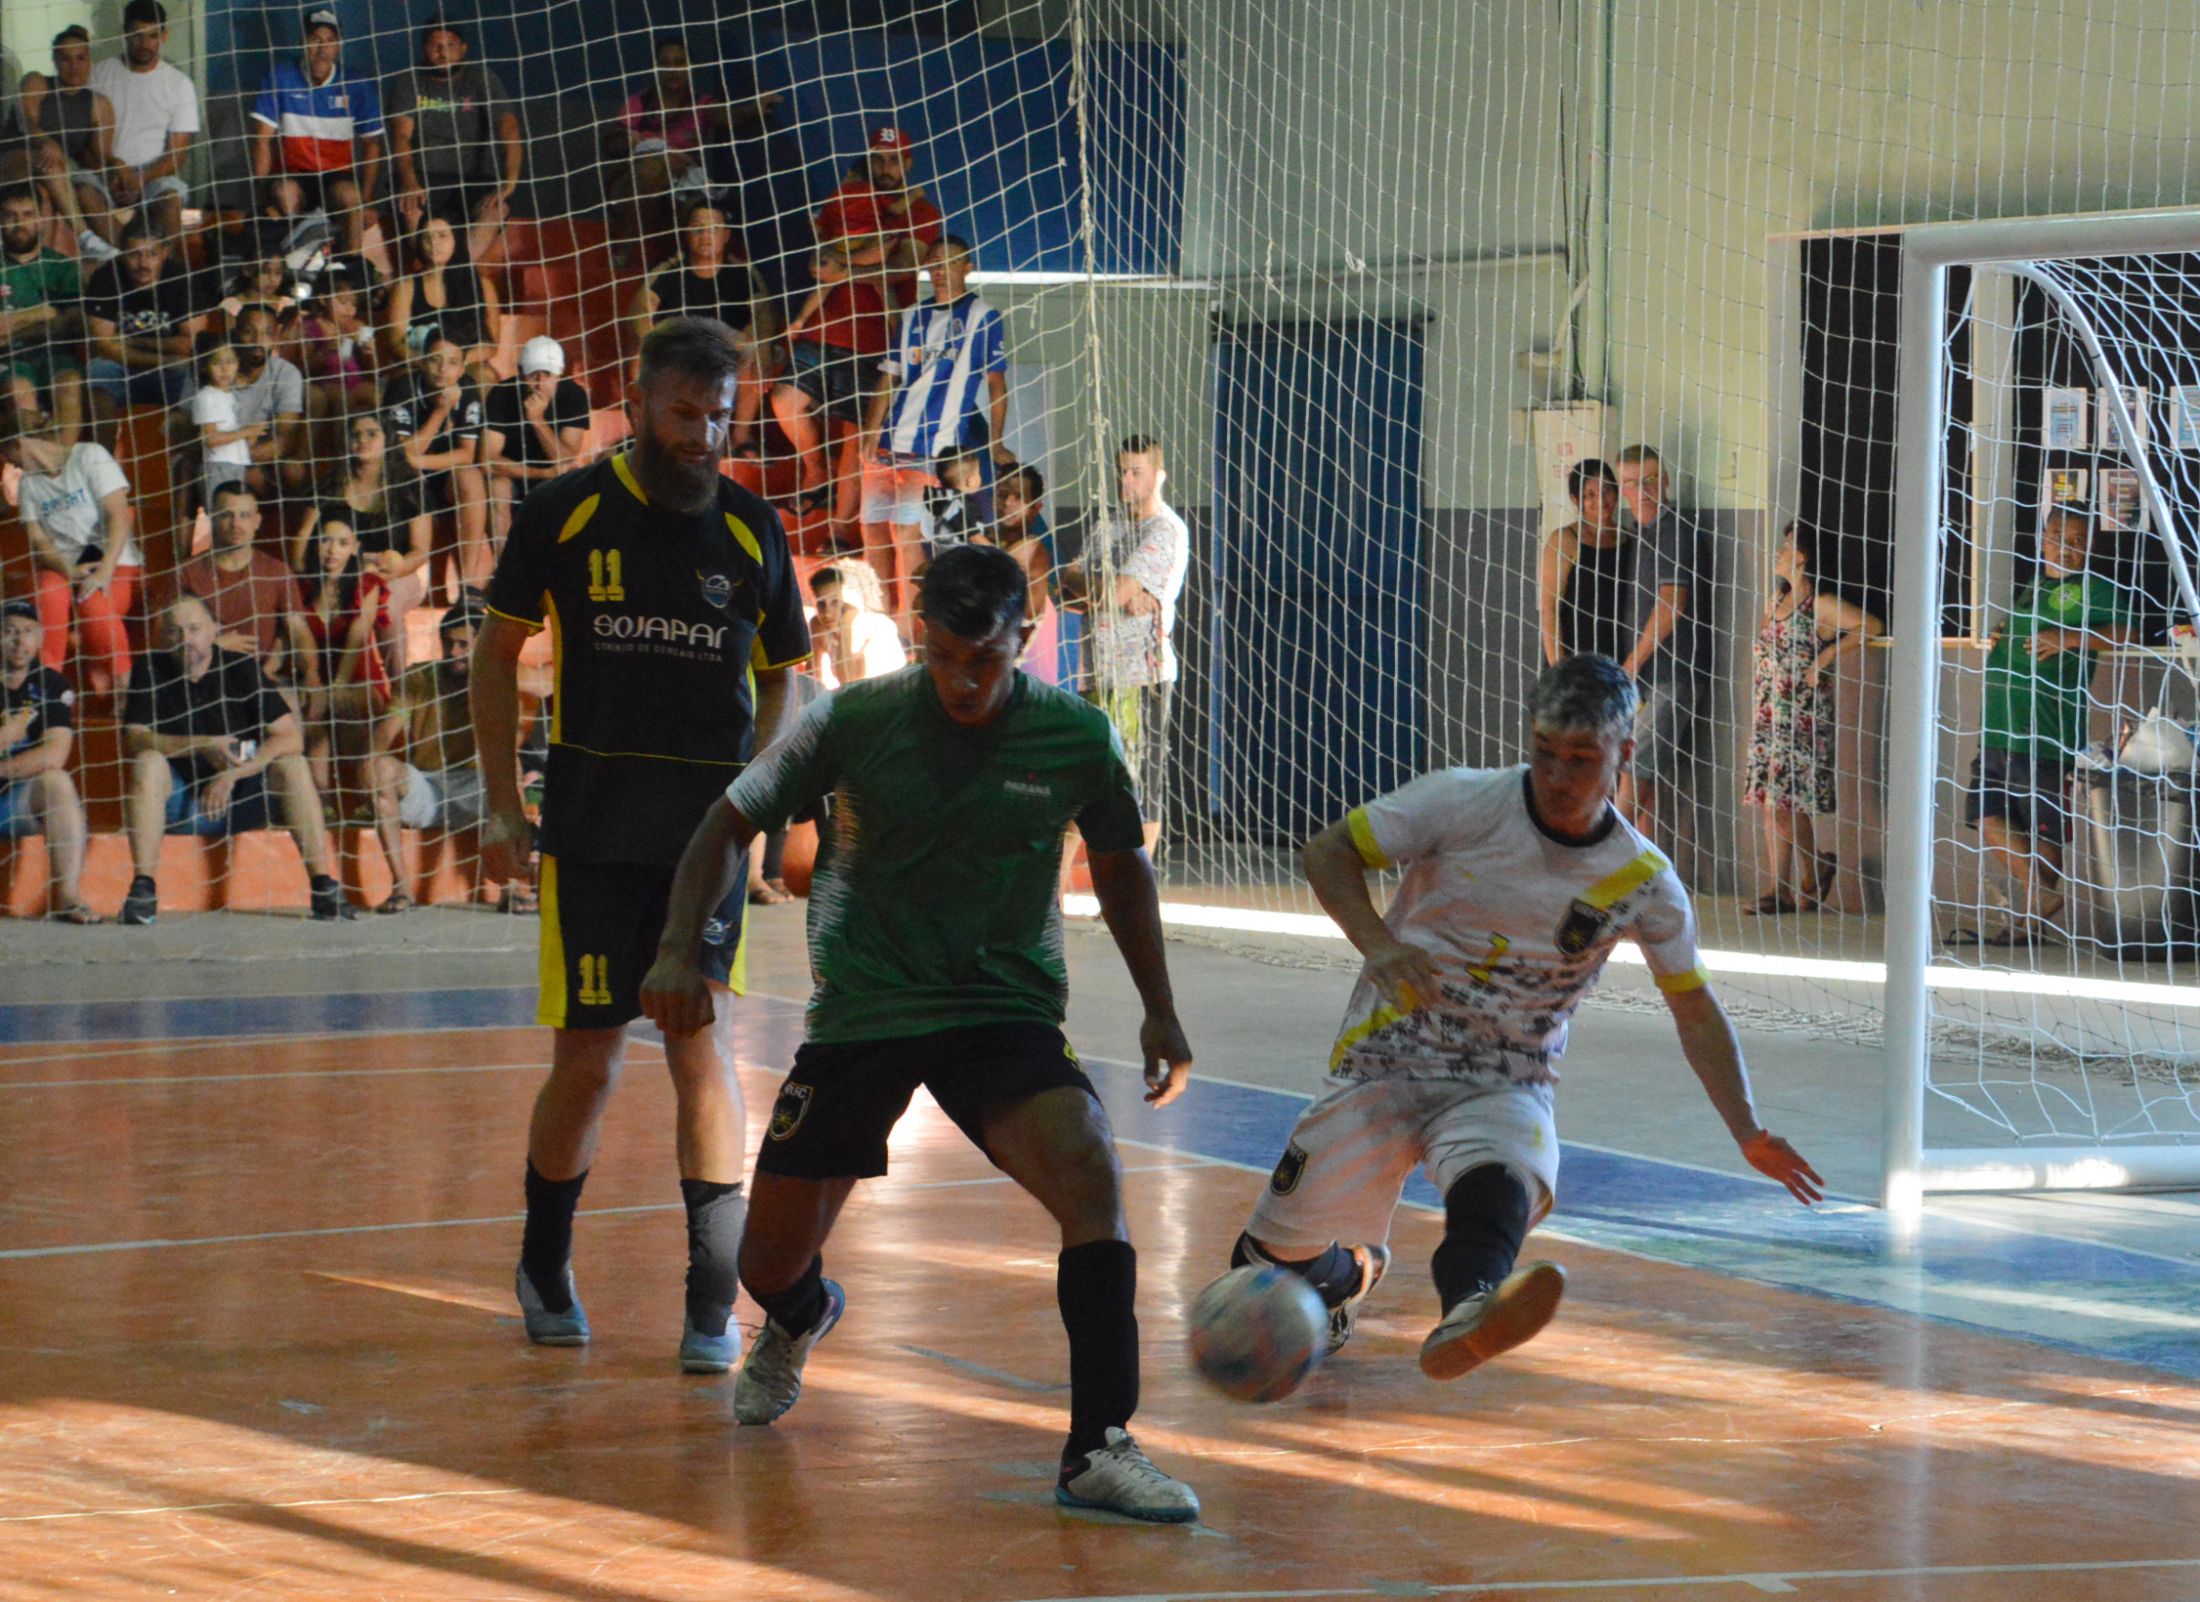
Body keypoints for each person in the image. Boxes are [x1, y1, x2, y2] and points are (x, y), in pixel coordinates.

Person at [637, 543, 1198, 1521]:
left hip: (1001, 1011)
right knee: (762, 1267)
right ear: (922, 636)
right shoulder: (853, 720)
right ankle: (802, 1315)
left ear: (1023, 640)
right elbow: (725, 821)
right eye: (943, 657)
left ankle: (1097, 1447)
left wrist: (1159, 1003)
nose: (962, 682)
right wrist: (681, 947)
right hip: (864, 1011)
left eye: (983, 660)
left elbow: (1119, 866)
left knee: (1092, 1174)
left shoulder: (1075, 738)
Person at [1231, 653, 1823, 1383]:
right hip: (1385, 1060)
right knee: (1257, 1271)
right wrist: (1380, 947)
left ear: (1623, 757)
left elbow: (1693, 1007)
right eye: (1545, 754)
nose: (1559, 776)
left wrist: (1748, 1130)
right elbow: (1329, 851)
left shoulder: (1644, 881)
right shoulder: (1462, 801)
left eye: (1581, 759)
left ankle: (1471, 1311)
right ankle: (1348, 1274)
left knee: (1502, 1180)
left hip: (1506, 1079)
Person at [471, 316, 809, 1372]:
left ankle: (711, 1301)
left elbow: (783, 679)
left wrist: (758, 810)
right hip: (591, 828)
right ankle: (543, 1261)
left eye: (720, 415)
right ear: (639, 399)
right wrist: (496, 802)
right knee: (589, 1060)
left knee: (699, 1044)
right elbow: (493, 658)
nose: (704, 434)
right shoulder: (566, 512)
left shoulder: (755, 531)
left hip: (706, 839)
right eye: (684, 413)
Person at [1947, 504, 2136, 949]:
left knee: (2041, 828)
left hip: (2047, 734)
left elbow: (2127, 633)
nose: (2065, 549)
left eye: (2076, 542)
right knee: (1986, 815)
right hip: (1997, 727)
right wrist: (2002, 631)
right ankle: (2043, 899)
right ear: (2044, 538)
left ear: (2089, 547)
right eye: (2058, 538)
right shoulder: (2033, 586)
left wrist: (2071, 639)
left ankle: (2031, 924)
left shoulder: (2096, 589)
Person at [119, 594, 352, 926]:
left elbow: (291, 737)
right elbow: (135, 738)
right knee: (148, 762)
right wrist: (202, 745)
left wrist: (233, 774)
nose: (185, 639)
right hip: (182, 800)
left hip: (241, 795)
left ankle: (323, 886)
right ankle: (143, 889)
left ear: (214, 629)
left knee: (293, 765)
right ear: (160, 636)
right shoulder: (149, 668)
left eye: (194, 628)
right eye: (174, 631)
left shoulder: (241, 668)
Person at [857, 236, 1009, 610]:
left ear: (967, 266)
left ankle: (912, 625)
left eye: (949, 262)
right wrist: (869, 432)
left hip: (936, 448)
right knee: (872, 529)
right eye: (935, 263)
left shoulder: (982, 316)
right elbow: (889, 377)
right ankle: (881, 617)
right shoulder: (912, 316)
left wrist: (996, 441)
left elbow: (996, 384)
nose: (940, 271)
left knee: (907, 531)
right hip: (890, 442)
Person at [1741, 522, 1882, 915]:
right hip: (1769, 714)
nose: (1780, 553)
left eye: (1786, 546)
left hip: (1801, 715)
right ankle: (1800, 874)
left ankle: (1785, 884)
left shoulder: (1818, 605)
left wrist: (1826, 657)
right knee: (1776, 802)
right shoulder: (1775, 602)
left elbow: (1871, 626)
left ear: (1802, 556)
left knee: (1786, 802)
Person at [1058, 435, 1187, 852]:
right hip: (1096, 669)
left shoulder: (1164, 529)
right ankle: (1057, 893)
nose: (1126, 481)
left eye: (1137, 473)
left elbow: (1103, 593)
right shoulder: (1107, 525)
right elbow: (1066, 583)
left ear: (1159, 477)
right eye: (1122, 472)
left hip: (1141, 675)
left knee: (1139, 785)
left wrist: (1105, 592)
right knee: (1086, 778)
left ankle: (1139, 883)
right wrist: (1107, 591)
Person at [373, 596, 527, 912]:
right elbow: (384, 735)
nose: (453, 652)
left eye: (462, 645)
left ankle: (511, 890)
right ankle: (402, 888)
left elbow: (507, 745)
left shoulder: (496, 680)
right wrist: (368, 765)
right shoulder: (418, 677)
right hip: (426, 790)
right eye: (448, 644)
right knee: (379, 768)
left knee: (509, 772)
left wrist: (484, 683)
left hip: (474, 790)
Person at [289, 511, 395, 904]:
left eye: (342, 542)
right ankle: (323, 803)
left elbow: (355, 641)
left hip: (360, 684)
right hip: (319, 684)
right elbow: (296, 641)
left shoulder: (366, 584)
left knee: (319, 708)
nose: (332, 550)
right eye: (326, 540)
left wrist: (330, 689)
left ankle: (330, 801)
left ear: (356, 549)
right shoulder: (300, 587)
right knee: (312, 710)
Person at [0, 402, 141, 693]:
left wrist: (104, 571)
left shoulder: (89, 456)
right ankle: (45, 686)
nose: (9, 463)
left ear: (20, 442)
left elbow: (119, 516)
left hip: (115, 561)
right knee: (47, 591)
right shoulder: (29, 485)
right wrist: (69, 570)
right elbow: (38, 541)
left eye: (8, 454)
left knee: (92, 601)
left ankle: (125, 686)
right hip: (64, 568)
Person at [1612, 444, 1713, 844]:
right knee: (1639, 770)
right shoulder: (1642, 532)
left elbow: (1672, 603)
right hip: (1647, 676)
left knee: (1636, 767)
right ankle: (1640, 867)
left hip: (1672, 671)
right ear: (1622, 489)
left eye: (1651, 480)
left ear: (1666, 481)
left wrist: (1632, 665)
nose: (1643, 490)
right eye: (1633, 484)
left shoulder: (1673, 530)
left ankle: (1598, 857)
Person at [771, 236, 894, 526]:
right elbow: (823, 275)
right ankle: (816, 469)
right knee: (784, 398)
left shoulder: (885, 253)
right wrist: (800, 320)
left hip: (871, 350)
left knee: (856, 437)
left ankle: (838, 528)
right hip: (824, 339)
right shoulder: (835, 230)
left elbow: (889, 275)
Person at [294, 414, 430, 670]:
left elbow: (420, 551)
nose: (362, 440)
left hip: (402, 573)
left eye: (371, 434)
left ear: (386, 439)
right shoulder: (329, 485)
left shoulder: (409, 486)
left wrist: (390, 570)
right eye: (355, 434)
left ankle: (399, 689)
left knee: (384, 602)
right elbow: (302, 540)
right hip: (339, 570)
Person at [629, 199, 767, 451]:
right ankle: (646, 432)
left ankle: (741, 438)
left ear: (726, 235)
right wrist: (654, 338)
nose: (706, 236)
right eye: (698, 228)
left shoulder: (743, 274)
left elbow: (764, 315)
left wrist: (754, 339)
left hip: (726, 355)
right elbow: (639, 310)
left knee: (753, 358)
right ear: (686, 234)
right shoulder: (669, 271)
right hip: (679, 354)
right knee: (639, 355)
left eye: (714, 229)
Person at [385, 19, 521, 267]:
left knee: (496, 209)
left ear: (463, 48)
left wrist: (508, 183)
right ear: (424, 49)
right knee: (410, 205)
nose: (442, 51)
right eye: (435, 45)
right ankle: (428, 276)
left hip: (473, 178)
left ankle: (459, 275)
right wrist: (408, 179)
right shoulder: (409, 81)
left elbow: (509, 127)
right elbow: (400, 135)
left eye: (449, 44)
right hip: (425, 175)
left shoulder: (482, 78)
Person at [250, 8, 384, 256]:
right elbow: (261, 140)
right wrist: (262, 196)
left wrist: (367, 199)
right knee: (283, 194)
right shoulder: (281, 76)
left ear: (339, 45)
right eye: (315, 40)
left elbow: (373, 144)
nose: (323, 48)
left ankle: (349, 269)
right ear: (303, 42)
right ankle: (290, 266)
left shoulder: (356, 83)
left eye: (330, 40)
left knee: (351, 198)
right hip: (292, 174)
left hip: (336, 176)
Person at [0, 597, 96, 922]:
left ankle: (67, 899)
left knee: (57, 781)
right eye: (10, 631)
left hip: (12, 802)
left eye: (28, 631)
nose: (19, 640)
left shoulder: (51, 685)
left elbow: (55, 753)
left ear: (40, 638)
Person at [604, 35, 728, 269]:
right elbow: (611, 146)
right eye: (665, 63)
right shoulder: (639, 104)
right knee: (652, 169)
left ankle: (685, 268)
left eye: (680, 62)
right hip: (637, 182)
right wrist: (635, 143)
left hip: (683, 184)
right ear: (656, 68)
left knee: (699, 207)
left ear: (691, 66)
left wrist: (754, 107)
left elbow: (730, 116)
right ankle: (625, 249)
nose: (673, 69)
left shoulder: (702, 103)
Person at [88, 0, 198, 245]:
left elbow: (177, 155)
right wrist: (110, 175)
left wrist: (138, 181)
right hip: (105, 173)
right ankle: (122, 255)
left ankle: (168, 273)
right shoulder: (98, 75)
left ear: (164, 36)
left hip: (153, 178)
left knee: (170, 198)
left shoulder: (179, 84)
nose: (145, 45)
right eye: (137, 36)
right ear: (126, 33)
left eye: (152, 36)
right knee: (82, 190)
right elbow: (83, 141)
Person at [385, 332, 488, 588]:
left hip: (441, 472)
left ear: (463, 367)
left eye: (453, 362)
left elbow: (467, 454)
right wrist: (441, 411)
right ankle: (426, 582)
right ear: (422, 361)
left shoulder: (468, 390)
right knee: (410, 476)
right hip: (402, 478)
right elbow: (399, 455)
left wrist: (418, 461)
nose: (443, 369)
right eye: (435, 360)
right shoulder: (402, 388)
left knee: (471, 478)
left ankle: (468, 586)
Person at [80, 216, 205, 425]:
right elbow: (103, 345)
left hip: (170, 371)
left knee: (197, 380)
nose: (143, 264)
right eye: (134, 255)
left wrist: (130, 342)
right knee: (96, 374)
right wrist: (162, 359)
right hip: (121, 367)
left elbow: (190, 344)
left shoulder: (182, 278)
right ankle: (102, 456)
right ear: (122, 253)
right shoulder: (106, 277)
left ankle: (185, 454)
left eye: (152, 255)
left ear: (165, 253)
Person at [812, 124, 944, 309]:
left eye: (894, 160)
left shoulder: (921, 211)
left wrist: (844, 271)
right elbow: (815, 253)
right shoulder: (846, 201)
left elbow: (903, 266)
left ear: (908, 163)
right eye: (878, 160)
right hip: (824, 324)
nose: (885, 168)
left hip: (880, 329)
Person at [480, 335, 593, 549]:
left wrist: (538, 421)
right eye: (533, 375)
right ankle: (505, 572)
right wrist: (541, 473)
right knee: (497, 488)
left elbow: (566, 458)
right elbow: (487, 459)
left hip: (555, 477)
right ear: (521, 374)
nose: (539, 383)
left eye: (547, 374)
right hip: (512, 473)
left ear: (558, 375)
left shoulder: (573, 395)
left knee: (566, 486)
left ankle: (551, 569)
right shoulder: (502, 393)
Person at [0, 183, 87, 445]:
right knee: (19, 392)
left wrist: (13, 323)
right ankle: (37, 471)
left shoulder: (62, 266)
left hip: (54, 354)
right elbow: (55, 315)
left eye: (28, 214)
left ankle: (63, 466)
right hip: (8, 358)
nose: (20, 223)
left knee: (69, 384)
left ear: (41, 218)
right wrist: (45, 311)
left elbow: (71, 323)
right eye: (11, 216)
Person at [180, 484, 296, 677]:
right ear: (213, 519)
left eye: (244, 515)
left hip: (261, 681)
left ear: (257, 521)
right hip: (201, 679)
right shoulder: (186, 572)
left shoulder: (277, 571)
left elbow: (298, 631)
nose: (236, 524)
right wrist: (214, 647)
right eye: (227, 515)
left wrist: (312, 675)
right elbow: (166, 640)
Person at [17, 29, 111, 256]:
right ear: (55, 61)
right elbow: (25, 122)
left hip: (58, 172)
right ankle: (84, 236)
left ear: (90, 60)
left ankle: (119, 253)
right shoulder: (37, 81)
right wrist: (45, 141)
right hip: (16, 159)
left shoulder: (97, 103)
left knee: (89, 192)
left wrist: (117, 171)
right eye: (65, 59)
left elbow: (98, 157)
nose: (74, 65)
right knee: (49, 162)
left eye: (81, 58)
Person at [1537, 457, 1631, 668]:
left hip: (1617, 658)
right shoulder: (1564, 539)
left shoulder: (1628, 539)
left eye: (1606, 490)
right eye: (1590, 494)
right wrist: (1559, 669)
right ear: (1576, 499)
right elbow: (1549, 608)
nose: (1601, 500)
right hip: (1574, 659)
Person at [382, 212, 499, 382]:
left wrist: (455, 363)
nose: (433, 242)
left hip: (465, 365)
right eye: (427, 237)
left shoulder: (482, 285)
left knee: (485, 376)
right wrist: (431, 364)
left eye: (442, 236)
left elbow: (490, 345)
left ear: (456, 239)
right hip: (420, 364)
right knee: (404, 379)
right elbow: (396, 342)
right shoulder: (406, 286)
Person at [227, 302, 311, 506]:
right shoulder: (216, 367)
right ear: (236, 334)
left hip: (260, 458)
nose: (257, 341)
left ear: (277, 337)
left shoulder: (287, 373)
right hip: (216, 453)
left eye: (266, 333)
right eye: (249, 332)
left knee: (294, 471)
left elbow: (283, 441)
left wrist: (243, 460)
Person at [996, 466, 1059, 686]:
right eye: (1003, 495)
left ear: (1036, 507)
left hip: (1026, 678)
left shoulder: (1032, 548)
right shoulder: (998, 541)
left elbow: (992, 567)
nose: (1008, 503)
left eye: (1019, 498)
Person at [186, 335, 263, 510]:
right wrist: (246, 432)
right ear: (205, 367)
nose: (224, 369)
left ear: (238, 364)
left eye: (230, 362)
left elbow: (249, 440)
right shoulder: (206, 396)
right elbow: (210, 439)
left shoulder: (233, 396)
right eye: (217, 363)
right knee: (220, 516)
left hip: (238, 464)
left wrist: (253, 430)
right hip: (218, 466)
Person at [808, 558, 905, 690]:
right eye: (821, 604)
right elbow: (811, 679)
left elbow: (847, 680)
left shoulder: (877, 628)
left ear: (851, 598)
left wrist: (846, 623)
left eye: (835, 602)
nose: (828, 613)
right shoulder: (818, 624)